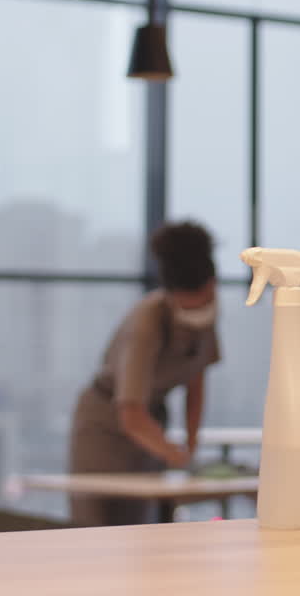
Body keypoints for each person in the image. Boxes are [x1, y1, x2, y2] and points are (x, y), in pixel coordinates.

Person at [68, 221, 222, 526]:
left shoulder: (208, 317)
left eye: (204, 301)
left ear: (212, 284)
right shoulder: (146, 322)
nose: (198, 313)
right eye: (189, 307)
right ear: (171, 295)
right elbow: (131, 413)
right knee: (96, 530)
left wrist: (190, 445)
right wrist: (174, 454)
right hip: (105, 430)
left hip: (151, 429)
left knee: (141, 531)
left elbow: (196, 382)